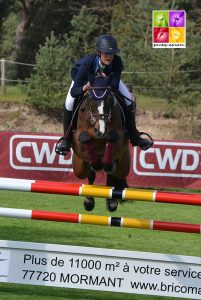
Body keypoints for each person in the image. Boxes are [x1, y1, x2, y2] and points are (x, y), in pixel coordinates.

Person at [55, 35, 154, 155]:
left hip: (106, 83)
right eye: (105, 53)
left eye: (111, 54)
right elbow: (74, 91)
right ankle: (66, 140)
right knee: (69, 103)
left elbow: (115, 85)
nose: (109, 56)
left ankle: (135, 136)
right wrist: (85, 87)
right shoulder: (87, 63)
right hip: (82, 80)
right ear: (98, 52)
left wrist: (105, 81)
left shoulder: (117, 62)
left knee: (129, 101)